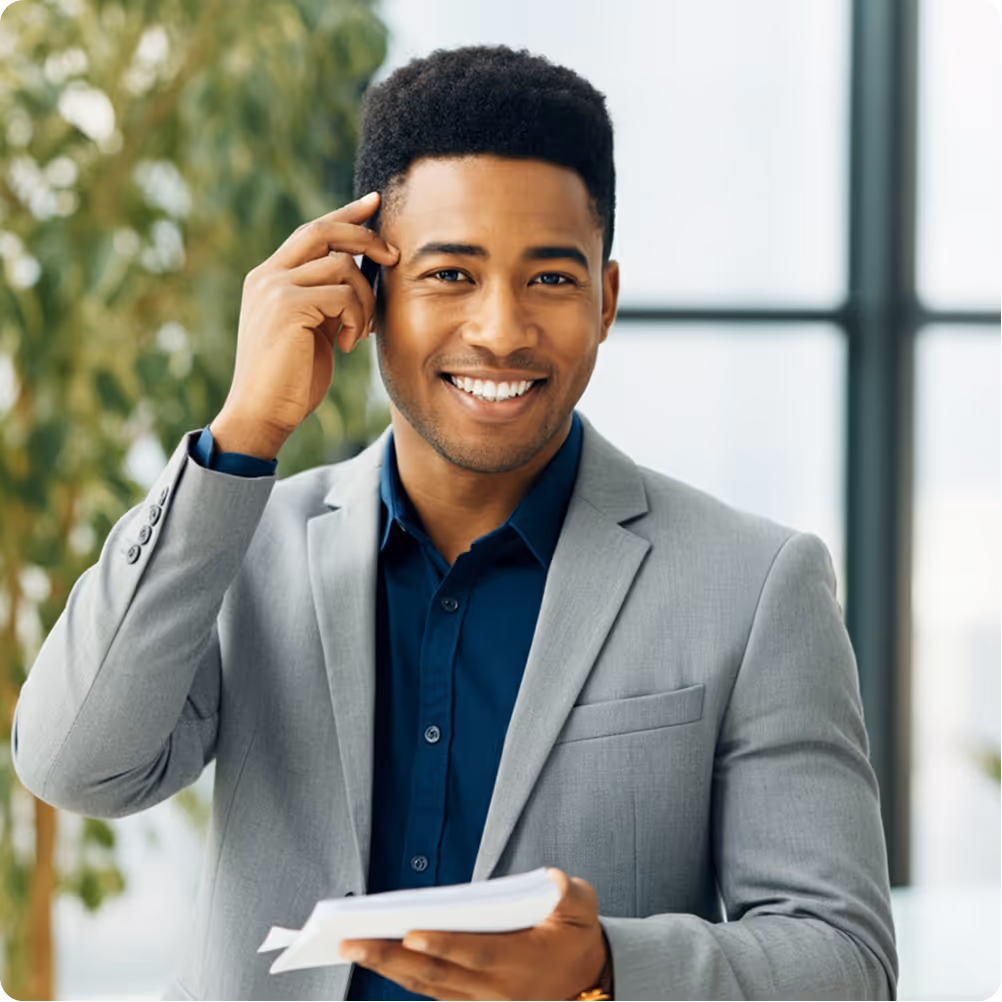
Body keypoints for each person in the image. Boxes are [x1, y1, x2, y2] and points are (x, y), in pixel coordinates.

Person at [12, 45, 897, 1002]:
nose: (501, 329)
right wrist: (244, 433)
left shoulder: (757, 585)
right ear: (366, 285)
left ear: (605, 300)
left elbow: (843, 959)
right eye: (449, 274)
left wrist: (606, 967)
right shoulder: (245, 544)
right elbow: (77, 768)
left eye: (551, 280)